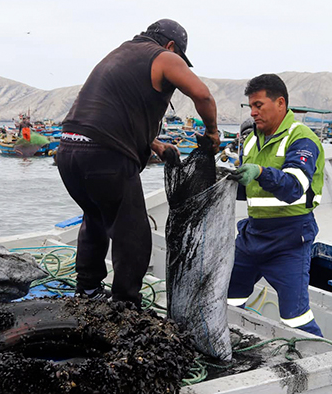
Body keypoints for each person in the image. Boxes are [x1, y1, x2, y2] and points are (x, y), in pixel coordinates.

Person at [58, 19, 220, 307]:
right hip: (104, 155)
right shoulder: (163, 57)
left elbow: (113, 109)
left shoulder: (121, 52)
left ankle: (87, 290)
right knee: (132, 231)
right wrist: (211, 132)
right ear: (171, 46)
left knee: (95, 218)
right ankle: (125, 303)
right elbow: (202, 95)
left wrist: (154, 144)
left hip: (69, 152)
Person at [228, 74, 325, 336]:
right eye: (251, 106)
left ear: (280, 103)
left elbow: (294, 187)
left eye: (259, 105)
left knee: (295, 318)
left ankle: (321, 360)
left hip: (289, 240)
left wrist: (260, 171)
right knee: (227, 299)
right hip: (251, 237)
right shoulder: (251, 139)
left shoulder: (301, 139)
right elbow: (248, 190)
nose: (253, 112)